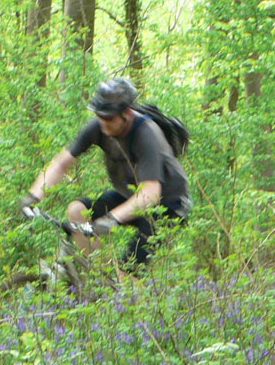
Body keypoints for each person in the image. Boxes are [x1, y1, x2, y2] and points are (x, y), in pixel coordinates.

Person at [21, 78, 190, 267]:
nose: (103, 123)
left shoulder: (146, 134)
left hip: (167, 206)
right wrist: (33, 196)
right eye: (99, 116)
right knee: (77, 210)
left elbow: (150, 193)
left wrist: (111, 219)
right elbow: (62, 163)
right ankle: (99, 276)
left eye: (109, 117)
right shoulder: (99, 126)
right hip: (131, 195)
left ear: (126, 113)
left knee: (130, 272)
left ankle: (123, 291)